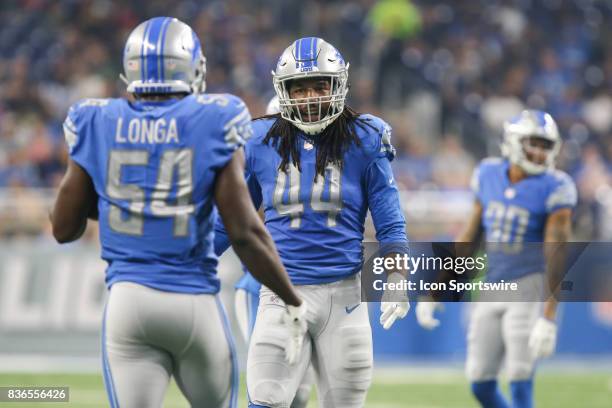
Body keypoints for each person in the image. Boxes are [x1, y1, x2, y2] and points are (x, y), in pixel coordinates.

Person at [50, 17, 305, 408]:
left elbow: (64, 229)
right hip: (193, 302)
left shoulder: (95, 119)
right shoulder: (215, 117)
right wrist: (292, 299)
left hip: (128, 301)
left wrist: (132, 201)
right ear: (193, 68)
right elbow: (244, 232)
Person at [215, 37, 410, 408]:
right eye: (299, 88)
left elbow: (390, 224)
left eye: (320, 86)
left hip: (346, 297)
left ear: (338, 86)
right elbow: (229, 222)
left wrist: (398, 277)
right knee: (267, 401)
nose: (310, 97)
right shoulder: (259, 141)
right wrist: (190, 264)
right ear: (283, 91)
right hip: (280, 293)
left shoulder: (366, 137)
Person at [416, 110, 576, 408]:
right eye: (534, 143)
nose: (540, 152)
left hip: (529, 285)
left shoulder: (556, 187)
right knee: (480, 382)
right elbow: (470, 237)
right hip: (491, 285)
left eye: (545, 145)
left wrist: (549, 315)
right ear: (514, 141)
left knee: (519, 380)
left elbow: (557, 252)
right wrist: (436, 290)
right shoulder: (488, 173)